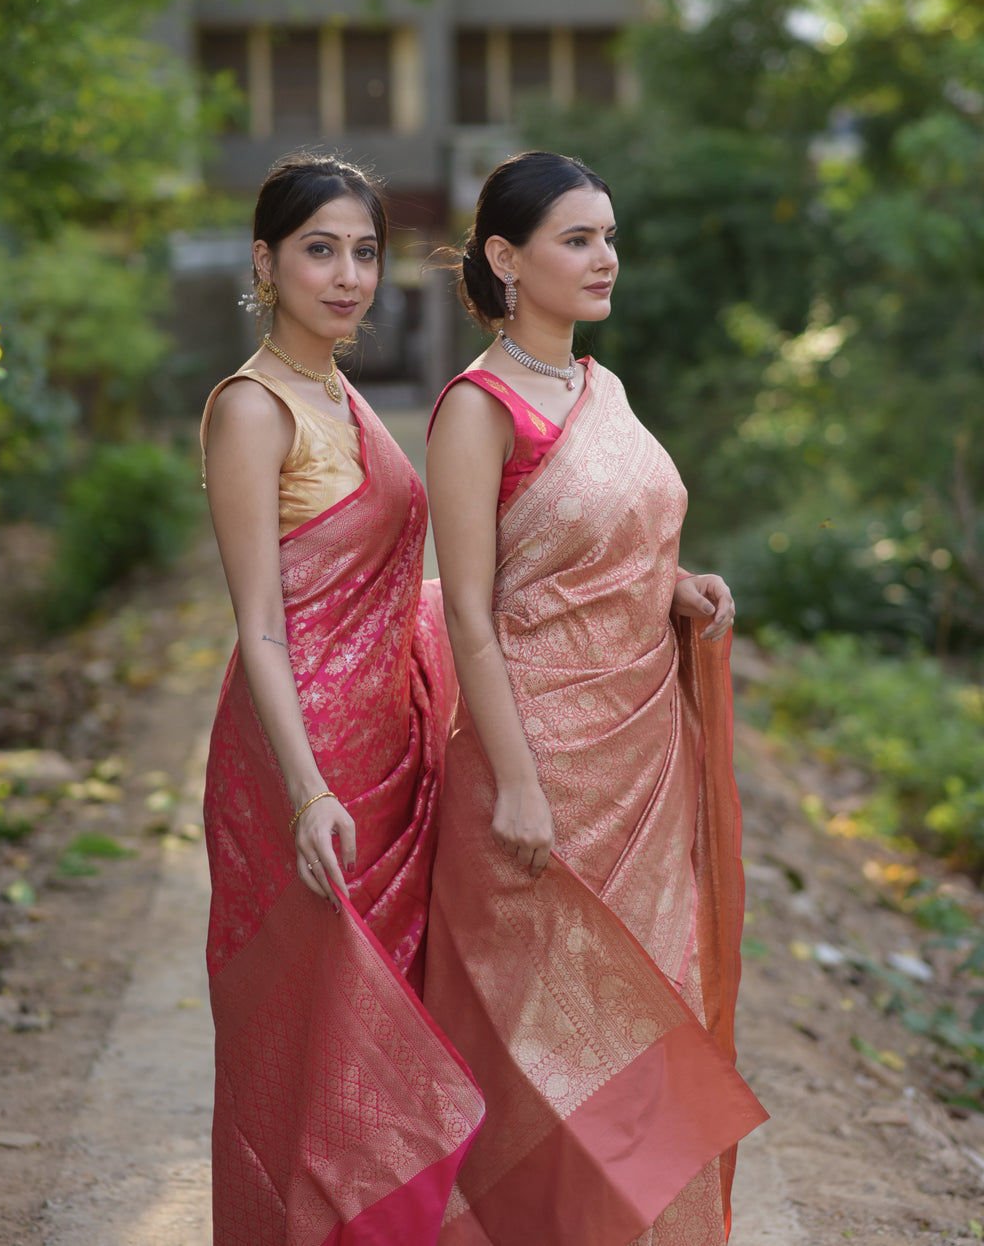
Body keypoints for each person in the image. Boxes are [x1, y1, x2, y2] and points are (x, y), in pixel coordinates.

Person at [423, 150, 767, 1245]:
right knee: (533, 1052)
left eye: (610, 235)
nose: (605, 257)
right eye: (578, 239)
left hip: (641, 763)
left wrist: (674, 584)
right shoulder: (478, 410)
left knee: (639, 1025)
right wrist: (515, 783)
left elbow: (600, 550)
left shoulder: (601, 391)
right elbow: (473, 610)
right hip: (535, 771)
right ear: (504, 258)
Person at [200, 154, 484, 1246]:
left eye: (364, 252)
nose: (347, 274)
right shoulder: (255, 409)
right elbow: (264, 623)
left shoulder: (343, 392)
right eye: (320, 249)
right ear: (266, 262)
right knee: (312, 1043)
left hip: (389, 747)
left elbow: (393, 583)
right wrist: (307, 790)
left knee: (390, 1041)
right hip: (299, 764)